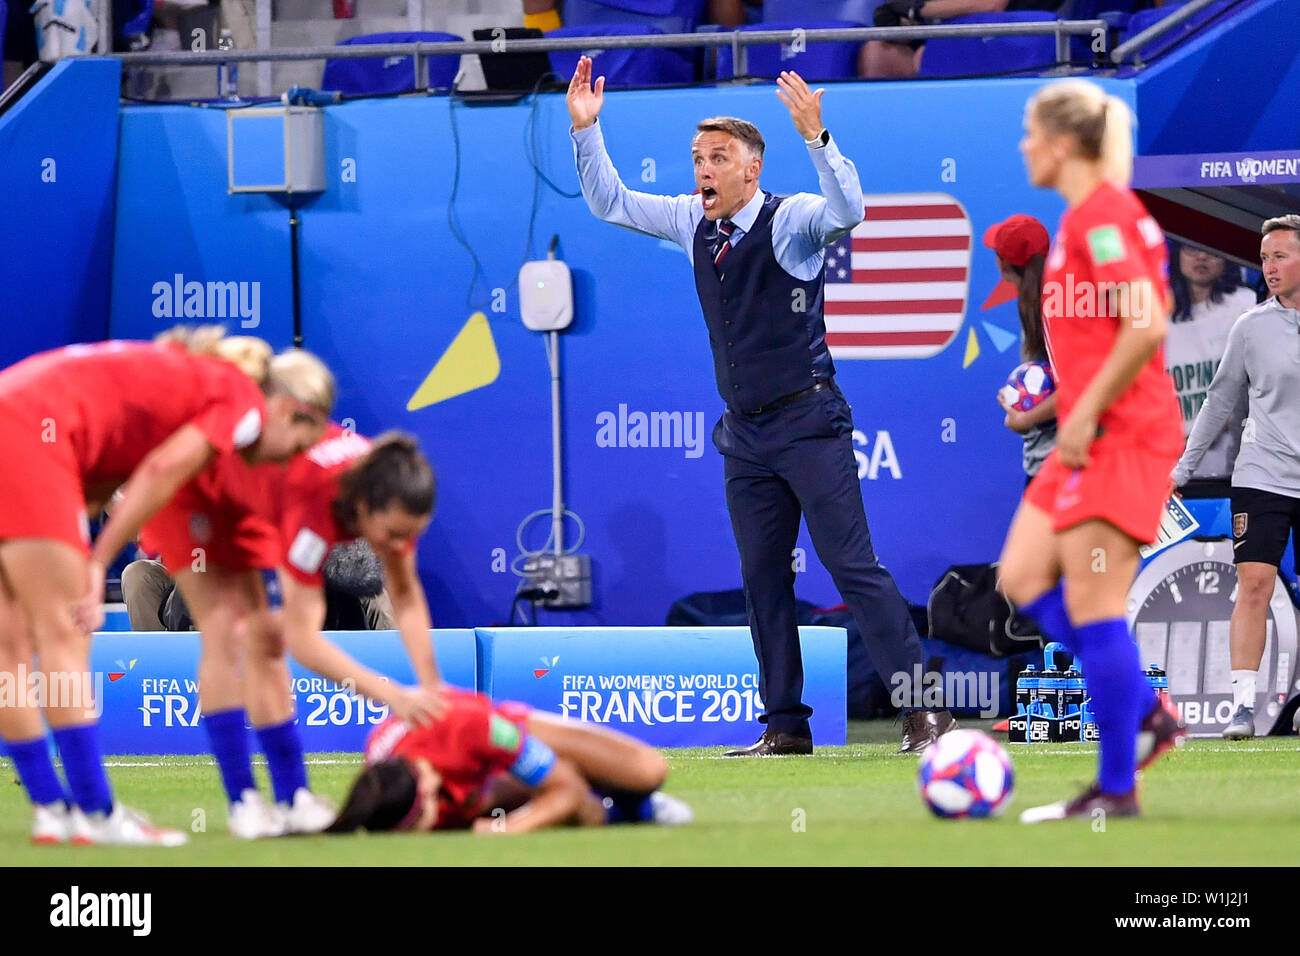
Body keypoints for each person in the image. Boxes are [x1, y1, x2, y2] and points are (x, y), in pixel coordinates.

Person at [567, 57, 955, 756]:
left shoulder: (792, 221)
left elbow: (851, 211)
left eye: (717, 158)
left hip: (809, 423)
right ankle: (784, 725)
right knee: (761, 579)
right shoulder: (693, 222)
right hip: (744, 437)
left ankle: (925, 712)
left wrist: (820, 140)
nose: (702, 170)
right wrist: (586, 133)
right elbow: (611, 203)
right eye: (696, 158)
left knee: (851, 565)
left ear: (751, 169)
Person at [0, 326, 326, 846]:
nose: (283, 462)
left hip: (15, 417)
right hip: (31, 437)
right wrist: (97, 558)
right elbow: (160, 471)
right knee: (64, 636)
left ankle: (51, 809)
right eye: (297, 447)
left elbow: (107, 473)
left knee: (10, 648)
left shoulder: (182, 386)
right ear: (287, 410)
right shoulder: (241, 398)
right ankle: (97, 812)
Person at [995, 79, 1186, 823]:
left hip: (1123, 434)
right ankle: (1145, 706)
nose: (1023, 145)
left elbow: (1145, 322)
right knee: (1019, 577)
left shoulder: (1107, 216)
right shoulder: (1079, 222)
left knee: (1092, 601)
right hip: (1085, 435)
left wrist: (1086, 411)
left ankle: (1117, 788)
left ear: (1063, 143)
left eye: (1030, 132)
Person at [136, 421, 447, 836]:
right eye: (392, 535)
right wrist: (393, 695)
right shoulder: (316, 506)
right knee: (233, 636)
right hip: (198, 498)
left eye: (409, 536)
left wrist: (431, 686)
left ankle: (291, 797)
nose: (397, 546)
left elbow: (406, 595)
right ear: (364, 507)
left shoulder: (391, 491)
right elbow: (302, 641)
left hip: (258, 497)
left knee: (265, 643)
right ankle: (243, 799)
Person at [1171, 215, 1300, 740]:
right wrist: (1183, 467)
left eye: (1281, 256)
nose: (1269, 266)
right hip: (1261, 473)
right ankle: (1243, 707)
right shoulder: (1250, 326)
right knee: (1254, 585)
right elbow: (1219, 400)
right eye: (1265, 257)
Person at [327, 685, 692, 834]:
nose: (435, 821)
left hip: (507, 740)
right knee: (587, 812)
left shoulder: (470, 727)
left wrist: (507, 828)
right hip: (477, 783)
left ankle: (637, 805)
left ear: (426, 778)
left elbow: (566, 786)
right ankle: (617, 812)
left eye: (430, 810)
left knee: (647, 771)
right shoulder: (381, 780)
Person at [1164, 242, 1257, 482]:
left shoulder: (1245, 304)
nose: (1201, 257)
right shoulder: (1158, 313)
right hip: (1170, 459)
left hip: (1233, 460)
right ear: (1177, 255)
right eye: (1190, 249)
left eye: (1211, 249)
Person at [987, 214, 1057, 485]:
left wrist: (1024, 418)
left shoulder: (1055, 311)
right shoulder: (1041, 305)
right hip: (1046, 462)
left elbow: (1077, 390)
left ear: (1003, 266)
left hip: (1059, 468)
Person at [862, 0, 1066, 79]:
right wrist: (906, 19)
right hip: (998, 41)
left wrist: (918, 9)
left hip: (1039, 39)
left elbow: (992, 3)